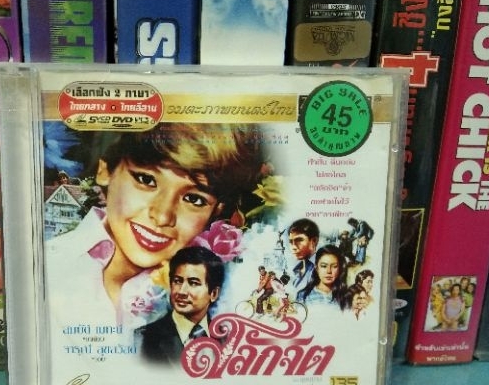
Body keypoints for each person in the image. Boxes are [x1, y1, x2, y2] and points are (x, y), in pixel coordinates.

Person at [48, 122, 262, 334]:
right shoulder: (47, 264)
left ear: (216, 211)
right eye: (146, 180)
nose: (162, 216)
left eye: (194, 199)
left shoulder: (220, 297)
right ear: (105, 171)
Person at [138, 246, 225, 366]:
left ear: (214, 294)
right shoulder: (144, 338)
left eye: (193, 283)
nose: (182, 291)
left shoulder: (227, 338)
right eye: (177, 281)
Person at [288, 218, 320, 302]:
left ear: (314, 241)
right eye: (291, 242)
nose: (293, 247)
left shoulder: (322, 268)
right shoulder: (296, 270)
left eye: (299, 240)